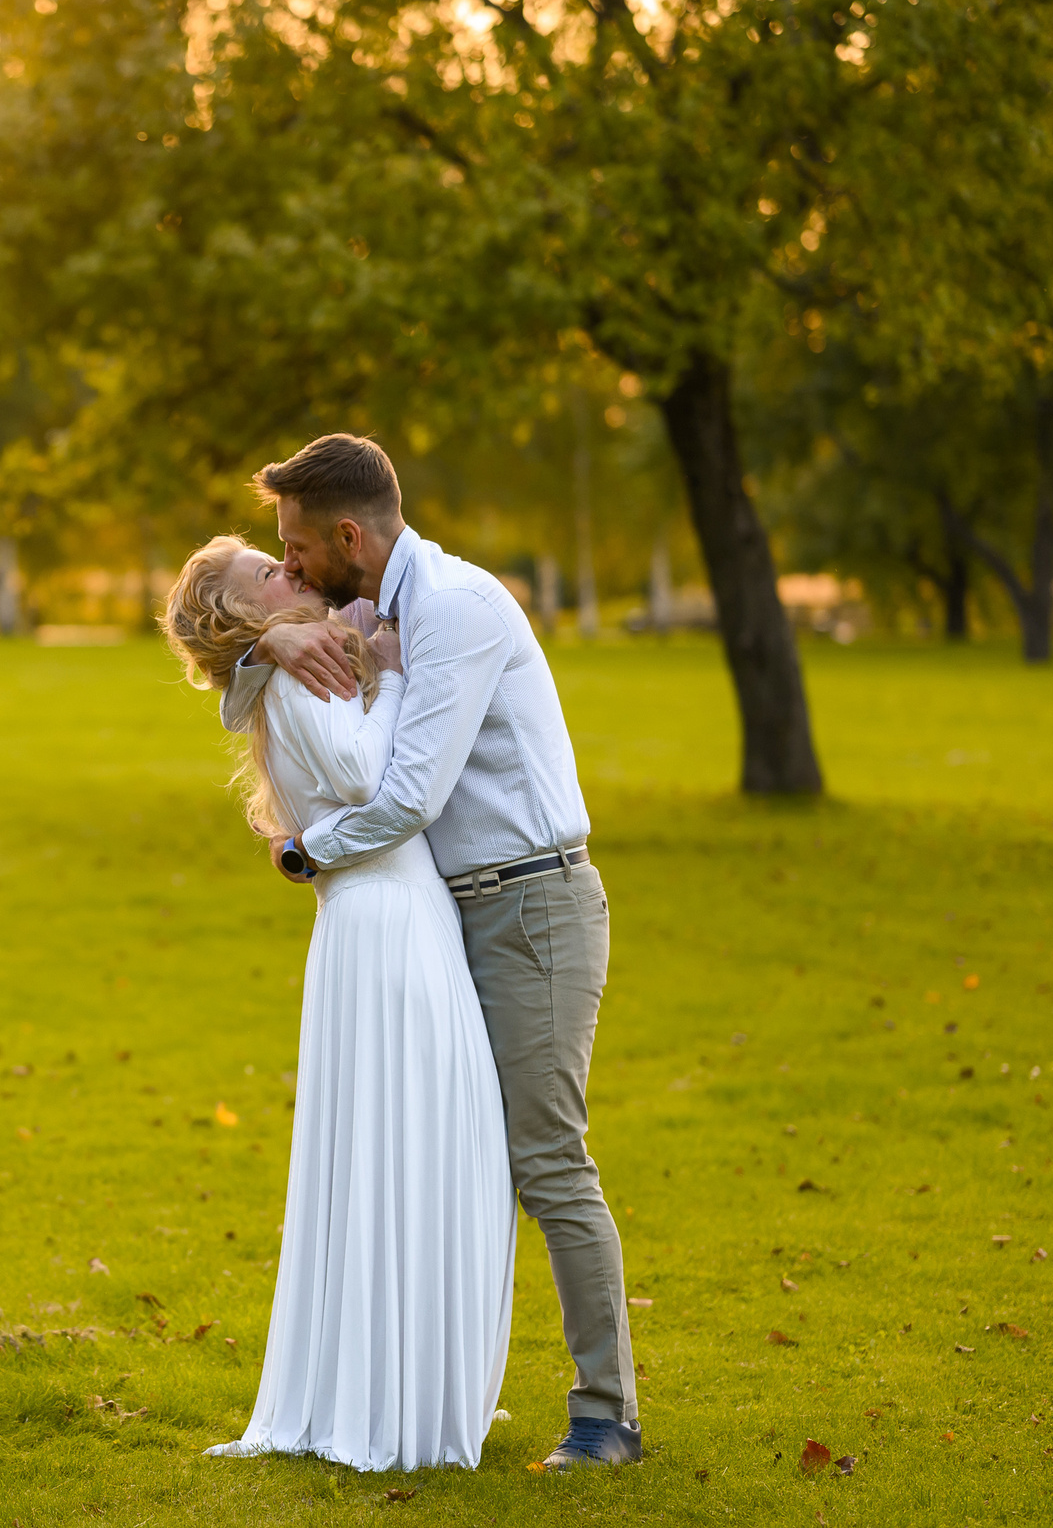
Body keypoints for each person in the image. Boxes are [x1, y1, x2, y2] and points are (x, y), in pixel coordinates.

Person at [226, 433, 640, 1470]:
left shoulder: (452, 608)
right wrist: (262, 643)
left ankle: (606, 1415)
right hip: (460, 911)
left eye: (294, 547)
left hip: (531, 904)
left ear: (348, 535)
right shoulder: (379, 610)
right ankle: (436, 1391)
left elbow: (406, 793)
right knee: (457, 1152)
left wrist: (301, 854)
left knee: (545, 1158)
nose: (290, 568)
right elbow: (245, 677)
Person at [165, 537, 516, 1471]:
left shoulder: (298, 660)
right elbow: (367, 779)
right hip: (385, 920)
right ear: (245, 618)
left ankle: (405, 1379)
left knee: (423, 1139)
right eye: (266, 574)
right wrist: (395, 681)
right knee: (405, 1141)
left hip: (390, 912)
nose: (293, 572)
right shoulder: (288, 679)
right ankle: (387, 1398)